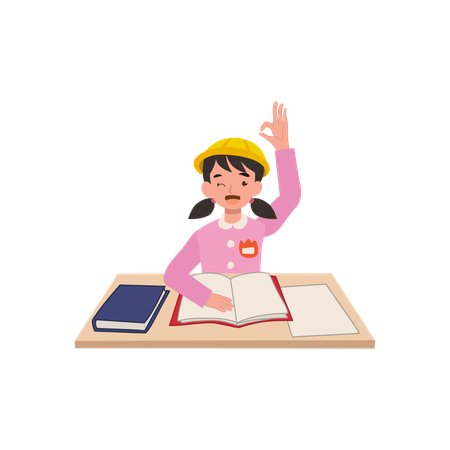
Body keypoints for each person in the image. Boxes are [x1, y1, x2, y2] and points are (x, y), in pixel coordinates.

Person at [163, 100, 303, 312]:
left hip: (252, 308)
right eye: (220, 182)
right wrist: (205, 297)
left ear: (257, 188)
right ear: (207, 189)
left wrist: (283, 148)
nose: (231, 189)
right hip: (210, 312)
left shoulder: (260, 227)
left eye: (243, 182)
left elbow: (291, 196)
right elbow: (173, 274)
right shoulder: (203, 235)